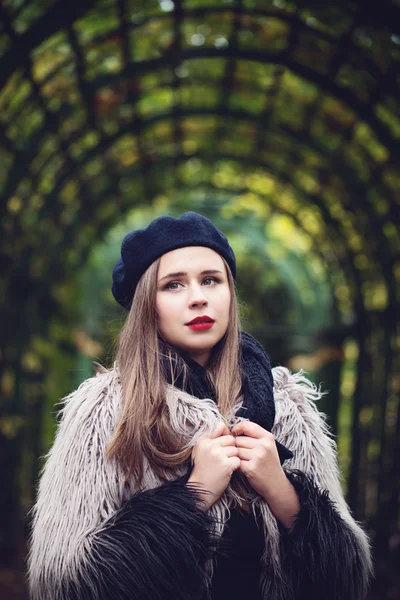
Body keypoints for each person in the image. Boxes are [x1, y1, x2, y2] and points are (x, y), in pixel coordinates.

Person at [28, 212, 372, 600]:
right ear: (147, 305)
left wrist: (283, 493)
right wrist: (193, 495)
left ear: (229, 292)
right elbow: (63, 582)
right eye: (173, 285)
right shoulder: (104, 411)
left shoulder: (288, 406)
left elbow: (349, 580)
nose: (198, 297)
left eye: (211, 279)